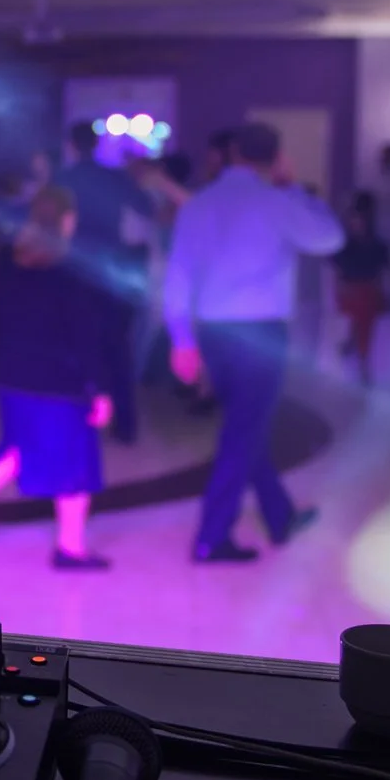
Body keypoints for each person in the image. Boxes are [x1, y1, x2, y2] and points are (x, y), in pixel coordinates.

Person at [164, 122, 344, 563]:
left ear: (234, 152)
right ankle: (211, 536)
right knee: (242, 432)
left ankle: (279, 516)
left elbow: (177, 279)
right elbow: (331, 238)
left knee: (248, 427)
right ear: (275, 158)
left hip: (214, 333)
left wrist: (181, 341)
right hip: (260, 334)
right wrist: (294, 188)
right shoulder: (277, 203)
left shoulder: (199, 204)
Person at [0, 185, 115, 569]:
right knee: (75, 460)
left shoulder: (8, 265)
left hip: (12, 378)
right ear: (68, 221)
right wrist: (99, 389)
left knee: (17, 450)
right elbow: (85, 337)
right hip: (58, 384)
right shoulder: (71, 273)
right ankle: (70, 548)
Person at [54, 120, 158, 444]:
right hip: (111, 268)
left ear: (71, 144)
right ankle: (125, 424)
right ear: (97, 144)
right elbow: (148, 207)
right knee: (116, 345)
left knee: (75, 343)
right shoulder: (115, 178)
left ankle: (81, 420)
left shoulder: (64, 178)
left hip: (73, 268)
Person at [332, 193, 390, 383]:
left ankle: (359, 352)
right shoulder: (348, 244)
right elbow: (339, 270)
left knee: (364, 312)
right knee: (363, 312)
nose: (356, 223)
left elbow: (381, 271)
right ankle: (362, 357)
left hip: (364, 288)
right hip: (355, 289)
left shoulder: (374, 244)